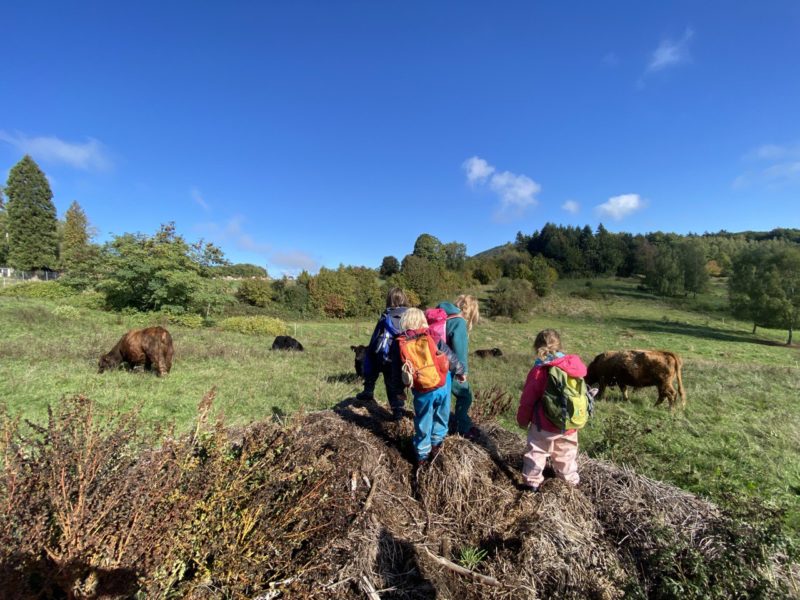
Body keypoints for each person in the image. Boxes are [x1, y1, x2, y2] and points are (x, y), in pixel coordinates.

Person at [516, 328, 587, 492]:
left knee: (537, 453)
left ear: (537, 347)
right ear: (561, 346)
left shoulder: (540, 370)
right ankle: (570, 483)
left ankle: (531, 484)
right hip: (570, 423)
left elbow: (528, 399)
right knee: (567, 455)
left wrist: (522, 419)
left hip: (543, 424)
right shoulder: (574, 367)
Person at [398, 307, 466, 468]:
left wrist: (399, 391)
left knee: (423, 418)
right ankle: (437, 443)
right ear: (423, 320)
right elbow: (449, 355)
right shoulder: (432, 335)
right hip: (442, 384)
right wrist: (460, 371)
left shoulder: (401, 342)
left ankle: (422, 454)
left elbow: (397, 371)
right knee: (442, 413)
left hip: (422, 389)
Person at [356, 287, 409, 420]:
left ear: (389, 300)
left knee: (376, 368)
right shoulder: (411, 315)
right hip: (404, 355)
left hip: (385, 356)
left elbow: (375, 339)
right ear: (404, 299)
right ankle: (399, 410)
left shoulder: (386, 316)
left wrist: (370, 354)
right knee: (396, 383)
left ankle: (368, 390)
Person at [436, 294, 480, 439]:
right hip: (448, 367)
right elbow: (460, 350)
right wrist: (463, 372)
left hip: (431, 363)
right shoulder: (458, 321)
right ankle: (463, 428)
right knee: (465, 395)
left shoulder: (441, 314)